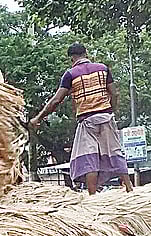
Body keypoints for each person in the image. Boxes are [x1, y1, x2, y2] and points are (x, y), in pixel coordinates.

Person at [29, 44, 132, 195]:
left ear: (72, 58)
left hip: (87, 120)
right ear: (86, 53)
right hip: (106, 116)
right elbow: (114, 94)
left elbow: (56, 100)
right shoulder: (103, 68)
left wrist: (37, 118)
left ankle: (92, 195)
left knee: (89, 156)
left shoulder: (70, 74)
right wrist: (112, 111)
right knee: (114, 151)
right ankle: (129, 188)